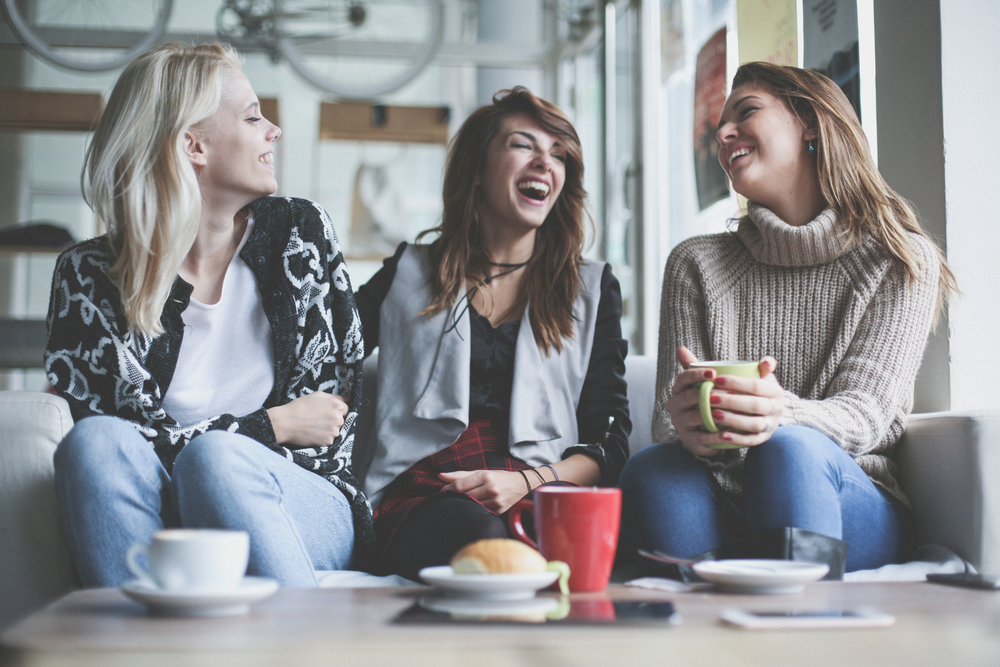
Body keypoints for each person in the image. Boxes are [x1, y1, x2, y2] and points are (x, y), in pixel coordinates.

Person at [46, 43, 370, 588]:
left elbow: (327, 421)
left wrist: (238, 445)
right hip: (158, 508)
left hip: (298, 497)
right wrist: (273, 425)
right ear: (193, 145)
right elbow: (113, 442)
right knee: (93, 444)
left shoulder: (302, 237)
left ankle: (304, 643)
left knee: (216, 461)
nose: (273, 130)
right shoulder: (88, 276)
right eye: (252, 116)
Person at [619, 62, 957, 576]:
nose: (724, 132)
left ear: (810, 123)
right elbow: (669, 425)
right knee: (654, 469)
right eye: (719, 127)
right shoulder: (696, 264)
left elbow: (868, 413)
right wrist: (690, 422)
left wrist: (778, 414)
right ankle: (689, 642)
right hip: (723, 497)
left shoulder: (899, 258)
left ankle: (800, 639)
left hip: (844, 498)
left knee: (789, 450)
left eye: (746, 111)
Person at [355, 87, 631, 581]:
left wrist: (526, 482)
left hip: (543, 492)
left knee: (555, 548)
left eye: (559, 154)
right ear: (478, 171)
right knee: (486, 545)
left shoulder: (591, 287)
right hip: (428, 494)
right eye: (524, 145)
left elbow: (607, 443)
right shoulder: (408, 271)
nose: (545, 163)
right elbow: (321, 349)